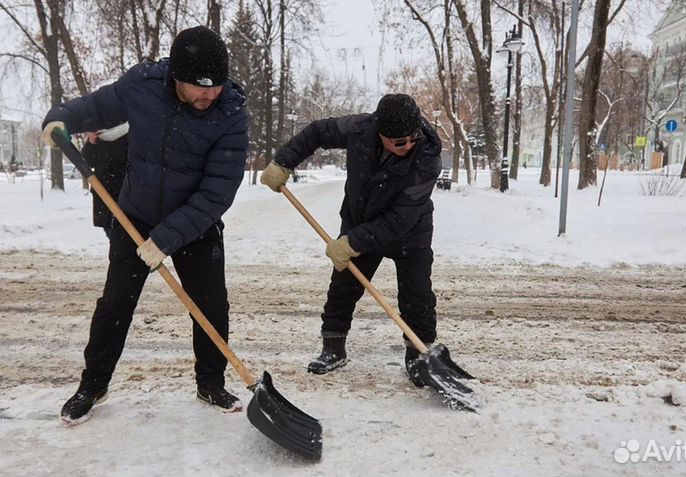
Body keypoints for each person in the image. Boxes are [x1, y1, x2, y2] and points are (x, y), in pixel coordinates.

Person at [40, 26, 248, 424]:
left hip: (195, 224)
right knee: (115, 304)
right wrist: (61, 117)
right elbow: (98, 107)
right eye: (201, 87)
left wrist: (166, 239)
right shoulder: (144, 84)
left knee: (211, 305)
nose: (211, 95)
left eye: (217, 86)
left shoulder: (230, 114)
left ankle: (211, 382)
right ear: (177, 78)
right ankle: (93, 384)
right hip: (134, 215)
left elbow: (217, 192)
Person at [260, 93, 442, 386]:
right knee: (343, 289)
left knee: (417, 296)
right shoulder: (359, 129)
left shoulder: (427, 156)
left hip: (410, 232)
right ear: (381, 134)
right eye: (398, 142)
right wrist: (284, 162)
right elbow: (318, 132)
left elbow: (400, 218)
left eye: (412, 138)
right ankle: (333, 347)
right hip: (362, 221)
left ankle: (419, 356)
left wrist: (351, 242)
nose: (408, 146)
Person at [82, 122, 129, 238]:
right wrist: (91, 143)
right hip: (104, 194)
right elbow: (87, 162)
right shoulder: (98, 137)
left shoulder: (131, 134)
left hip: (126, 194)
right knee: (111, 233)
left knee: (127, 236)